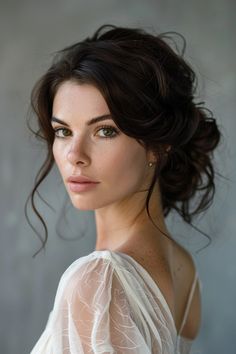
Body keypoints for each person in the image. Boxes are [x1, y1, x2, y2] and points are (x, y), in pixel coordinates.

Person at [27, 24, 221, 353]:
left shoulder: (100, 279)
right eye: (63, 132)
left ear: (158, 145)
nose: (75, 155)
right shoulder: (183, 267)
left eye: (105, 131)